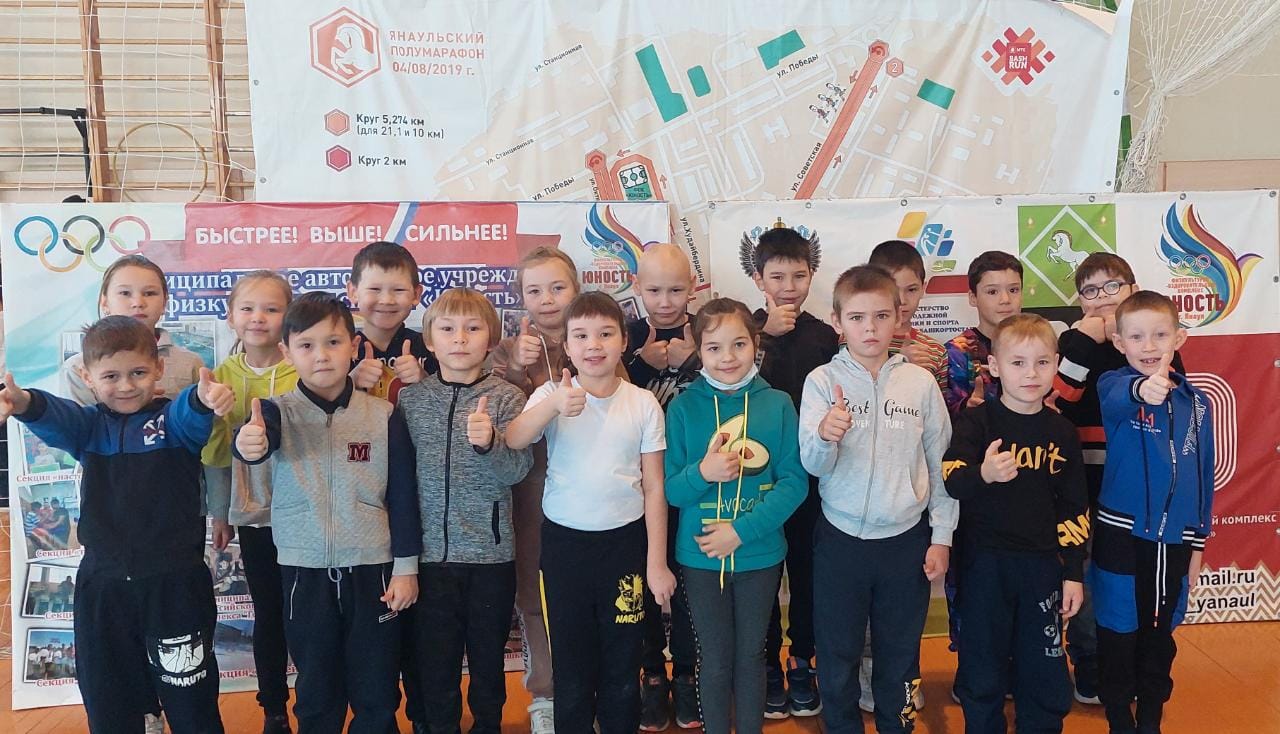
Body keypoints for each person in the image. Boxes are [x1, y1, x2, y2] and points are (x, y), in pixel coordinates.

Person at [0, 315, 234, 732]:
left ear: (158, 368)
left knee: (190, 700)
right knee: (108, 698)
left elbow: (189, 414)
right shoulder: (88, 428)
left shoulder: (172, 425)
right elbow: (58, 416)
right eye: (111, 376)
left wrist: (202, 399)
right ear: (88, 378)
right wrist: (25, 403)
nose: (126, 385)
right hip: (103, 587)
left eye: (138, 373)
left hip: (175, 585)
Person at [234, 292, 421, 734]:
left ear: (353, 346)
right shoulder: (275, 412)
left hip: (374, 572)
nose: (321, 356)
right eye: (306, 345)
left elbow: (403, 495)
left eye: (333, 342)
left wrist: (406, 568)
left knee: (377, 690)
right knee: (316, 691)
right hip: (305, 573)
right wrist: (249, 444)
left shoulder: (383, 415)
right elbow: (258, 440)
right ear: (287, 352)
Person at [506, 291, 677, 734]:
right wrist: (552, 406)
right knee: (572, 665)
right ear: (566, 344)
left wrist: (656, 563)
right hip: (565, 550)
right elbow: (515, 439)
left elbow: (654, 487)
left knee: (622, 664)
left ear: (623, 341)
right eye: (581, 336)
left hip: (624, 549)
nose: (593, 345)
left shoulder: (642, 403)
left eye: (605, 334)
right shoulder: (552, 393)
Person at [800, 265, 955, 734]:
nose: (870, 328)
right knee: (837, 652)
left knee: (900, 653)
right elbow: (813, 464)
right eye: (857, 317)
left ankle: (896, 725)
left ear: (898, 318)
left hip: (905, 542)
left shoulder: (920, 384)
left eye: (881, 316)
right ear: (838, 322)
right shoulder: (822, 381)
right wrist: (825, 435)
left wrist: (942, 537)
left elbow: (941, 465)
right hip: (840, 541)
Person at [664, 297, 807, 734]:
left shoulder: (778, 404)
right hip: (701, 556)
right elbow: (670, 490)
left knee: (751, 655)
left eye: (738, 344)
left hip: (758, 554)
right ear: (698, 351)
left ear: (755, 345)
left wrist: (741, 532)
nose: (727, 357)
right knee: (714, 656)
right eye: (714, 347)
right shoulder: (683, 408)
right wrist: (703, 472)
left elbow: (794, 483)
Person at [943, 314, 1089, 733]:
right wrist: (984, 474)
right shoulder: (976, 423)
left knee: (1043, 664)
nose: (1031, 374)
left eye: (1042, 363)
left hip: (1042, 567)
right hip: (983, 565)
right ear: (994, 366)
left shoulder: (1063, 432)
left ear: (1056, 364)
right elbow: (951, 480)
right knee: (982, 663)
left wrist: (1073, 573)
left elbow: (1074, 508)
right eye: (1018, 363)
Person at [1051, 253, 1187, 705]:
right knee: (1089, 576)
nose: (1102, 298)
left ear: (1132, 289)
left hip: (1142, 488)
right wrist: (1082, 340)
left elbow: (1175, 404)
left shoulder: (1150, 342)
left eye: (1112, 286)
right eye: (1090, 291)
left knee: (1138, 579)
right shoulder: (1074, 341)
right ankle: (1090, 662)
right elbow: (1058, 399)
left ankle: (1136, 665)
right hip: (1083, 483)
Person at [397, 287, 534, 734]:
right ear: (429, 341)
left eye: (472, 328)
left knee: (488, 661)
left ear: (490, 338)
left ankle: (488, 725)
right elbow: (398, 480)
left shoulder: (508, 398)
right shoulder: (411, 401)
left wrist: (489, 443)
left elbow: (517, 470)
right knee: (436, 664)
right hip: (430, 560)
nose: (460, 338)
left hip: (490, 559)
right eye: (448, 329)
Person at [1093, 291, 1213, 734]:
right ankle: (1118, 717)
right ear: (1119, 342)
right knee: (1117, 629)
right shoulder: (1113, 385)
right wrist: (1144, 390)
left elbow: (1202, 476)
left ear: (1179, 338)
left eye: (1160, 335)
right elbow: (1121, 397)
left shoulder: (1197, 403)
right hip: (1120, 537)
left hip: (1173, 542)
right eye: (1137, 337)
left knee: (1159, 636)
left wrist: (1198, 542)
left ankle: (1149, 719)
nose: (1149, 346)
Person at [200, 270, 297, 734]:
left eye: (272, 309)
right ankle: (274, 708)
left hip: (309, 514)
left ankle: (318, 700)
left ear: (288, 318)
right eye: (248, 308)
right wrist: (221, 512)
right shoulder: (219, 377)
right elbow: (215, 455)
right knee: (269, 614)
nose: (259, 317)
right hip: (256, 518)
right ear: (230, 316)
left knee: (312, 614)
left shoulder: (304, 366)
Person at [490, 245, 581, 733]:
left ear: (576, 289)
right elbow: (495, 421)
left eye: (557, 287)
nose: (547, 299)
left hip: (587, 492)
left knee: (583, 592)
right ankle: (544, 693)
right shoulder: (507, 350)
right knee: (533, 593)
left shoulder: (595, 335)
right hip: (529, 494)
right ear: (521, 298)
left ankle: (583, 687)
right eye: (535, 290)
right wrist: (516, 372)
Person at [749, 226, 839, 718]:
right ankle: (765, 666)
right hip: (755, 478)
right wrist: (765, 337)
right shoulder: (744, 330)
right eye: (777, 276)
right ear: (758, 278)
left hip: (811, 479)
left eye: (798, 276)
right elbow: (732, 384)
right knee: (762, 574)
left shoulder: (824, 335)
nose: (788, 286)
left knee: (807, 574)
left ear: (811, 276)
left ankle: (802, 660)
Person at [624, 243, 701, 731]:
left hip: (696, 486)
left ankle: (688, 674)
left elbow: (732, 385)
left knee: (690, 583)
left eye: (676, 290)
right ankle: (652, 673)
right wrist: (641, 365)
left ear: (693, 288)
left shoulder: (707, 331)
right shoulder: (626, 337)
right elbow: (604, 394)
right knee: (644, 581)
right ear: (636, 288)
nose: (666, 301)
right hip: (637, 488)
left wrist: (696, 361)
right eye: (654, 290)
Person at [61, 254, 205, 406]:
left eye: (149, 293)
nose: (138, 303)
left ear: (164, 303)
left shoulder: (190, 363)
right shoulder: (77, 368)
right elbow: (78, 420)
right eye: (125, 293)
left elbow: (202, 417)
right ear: (104, 302)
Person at [346, 240, 438, 404]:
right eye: (374, 289)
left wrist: (425, 380)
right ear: (353, 292)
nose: (387, 300)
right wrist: (350, 382)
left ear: (416, 294)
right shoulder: (340, 350)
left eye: (398, 290)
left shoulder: (431, 348)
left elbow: (450, 405)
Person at [943, 251, 1023, 415]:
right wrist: (967, 408)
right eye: (992, 292)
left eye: (1013, 290)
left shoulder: (1034, 344)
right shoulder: (957, 352)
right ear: (973, 297)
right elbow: (943, 416)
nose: (1005, 299)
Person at [868, 240, 948, 390]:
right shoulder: (856, 340)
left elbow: (938, 403)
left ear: (923, 288)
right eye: (893, 289)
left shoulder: (936, 351)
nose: (902, 300)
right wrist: (900, 364)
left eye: (911, 290)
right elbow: (852, 391)